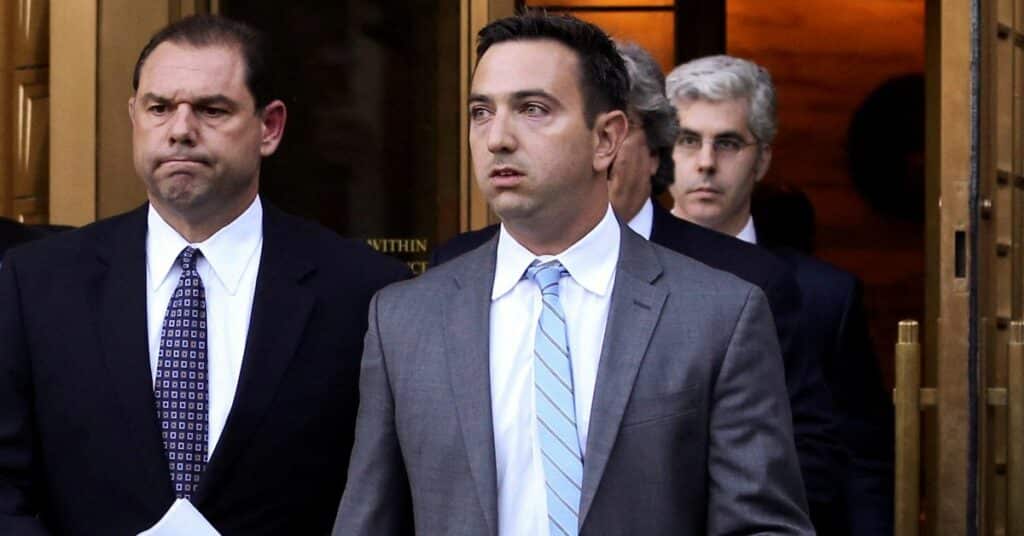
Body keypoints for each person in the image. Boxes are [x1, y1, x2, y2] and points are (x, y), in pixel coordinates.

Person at [335, 13, 813, 535]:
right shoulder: (404, 319)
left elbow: (760, 525)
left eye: (532, 109)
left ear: (606, 139)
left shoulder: (719, 314)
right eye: (481, 112)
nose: (497, 138)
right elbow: (369, 520)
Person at [0, 15, 408, 535]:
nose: (180, 129)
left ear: (270, 127)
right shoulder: (39, 282)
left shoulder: (362, 292)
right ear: (134, 117)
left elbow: (386, 494)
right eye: (159, 108)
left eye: (212, 110)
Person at [666, 54, 895, 535]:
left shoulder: (825, 296)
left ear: (763, 159)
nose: (706, 162)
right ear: (660, 149)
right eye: (688, 140)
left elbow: (861, 463)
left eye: (727, 143)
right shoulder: (610, 274)